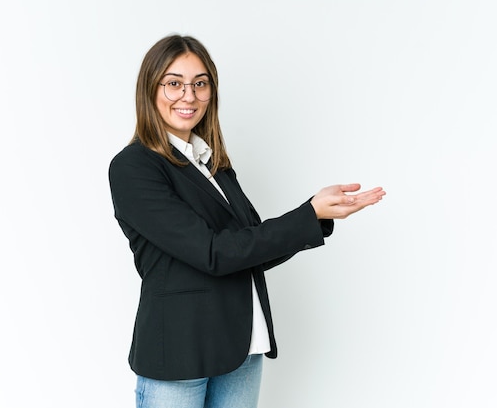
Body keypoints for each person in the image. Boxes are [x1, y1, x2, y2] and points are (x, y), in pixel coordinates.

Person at [108, 34, 386, 408]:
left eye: (200, 84)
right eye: (174, 83)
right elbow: (213, 253)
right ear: (150, 90)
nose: (188, 96)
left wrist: (316, 215)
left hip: (241, 347)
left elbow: (249, 247)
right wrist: (308, 215)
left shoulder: (214, 164)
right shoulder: (134, 166)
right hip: (179, 355)